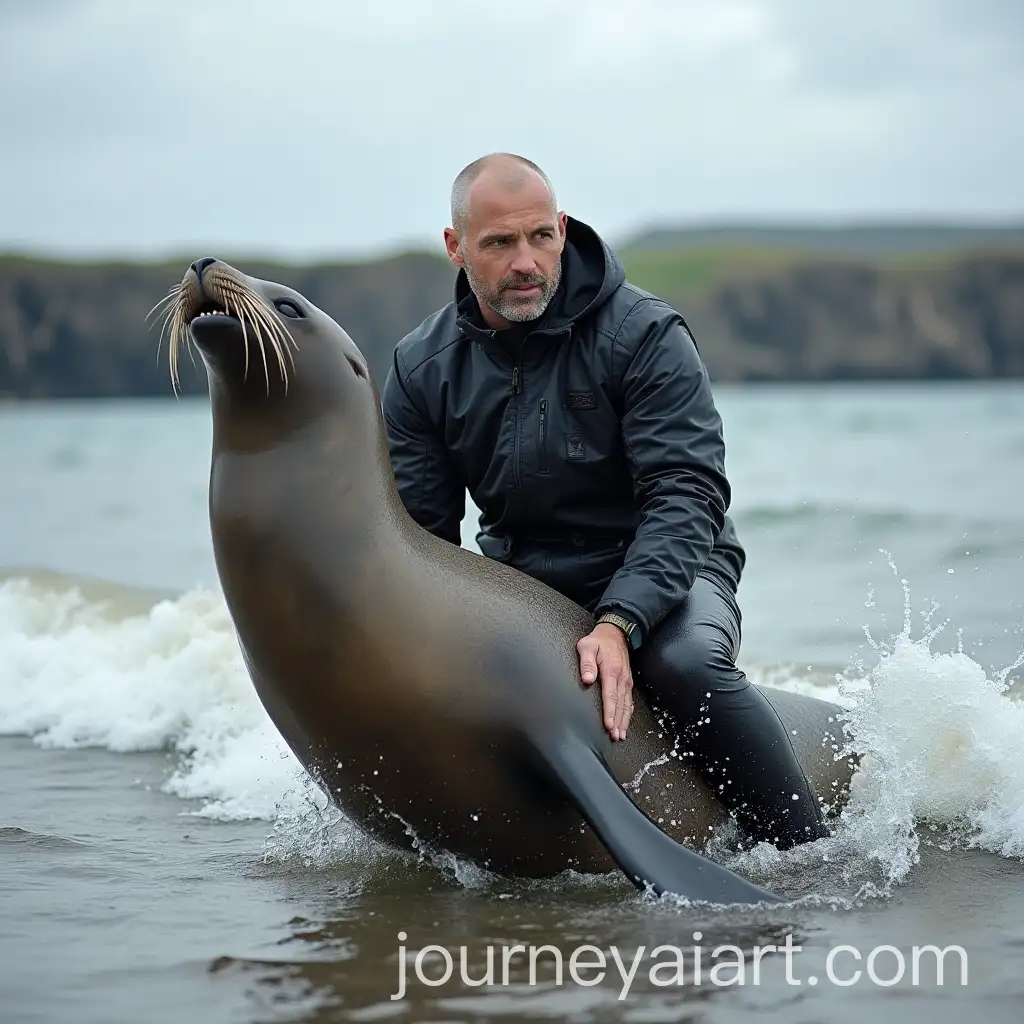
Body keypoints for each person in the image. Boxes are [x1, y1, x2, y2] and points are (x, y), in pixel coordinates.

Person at [381, 153, 827, 849]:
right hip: (524, 581)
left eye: (540, 236)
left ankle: (809, 854)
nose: (525, 262)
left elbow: (687, 494)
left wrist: (621, 620)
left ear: (562, 228)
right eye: (499, 243)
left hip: (672, 569)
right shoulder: (421, 367)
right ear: (455, 246)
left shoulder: (644, 332)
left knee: (685, 668)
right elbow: (424, 540)